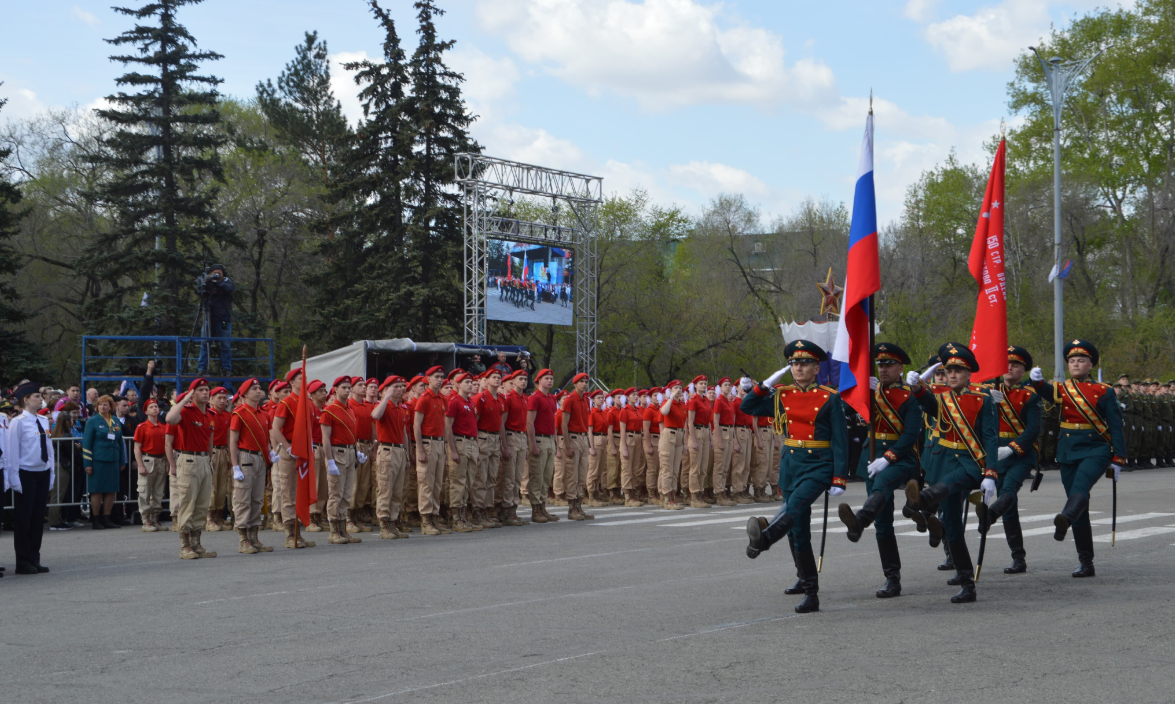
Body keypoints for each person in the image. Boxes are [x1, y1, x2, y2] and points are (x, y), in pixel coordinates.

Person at [743, 340, 848, 614]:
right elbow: (747, 406)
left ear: (816, 368)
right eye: (794, 364)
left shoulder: (829, 396)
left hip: (818, 464)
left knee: (794, 508)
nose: (798, 368)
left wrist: (839, 476)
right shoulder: (782, 395)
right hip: (791, 464)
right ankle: (804, 580)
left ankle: (765, 540)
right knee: (798, 528)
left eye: (804, 364)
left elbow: (840, 440)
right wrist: (763, 386)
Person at [902, 345, 998, 603]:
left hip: (970, 462)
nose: (953, 375)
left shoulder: (984, 399)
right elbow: (929, 406)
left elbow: (990, 437)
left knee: (949, 485)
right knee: (953, 527)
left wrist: (990, 473)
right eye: (949, 370)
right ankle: (967, 583)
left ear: (969, 374)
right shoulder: (942, 399)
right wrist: (917, 388)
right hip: (944, 460)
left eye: (958, 370)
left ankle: (921, 501)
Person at [1028, 339, 1126, 578]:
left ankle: (1065, 518)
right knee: (1079, 501)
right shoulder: (1062, 389)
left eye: (1081, 360)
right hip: (1069, 449)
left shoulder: (1103, 391)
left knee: (1080, 487)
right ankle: (1086, 561)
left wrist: (1118, 458)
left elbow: (1115, 425)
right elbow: (1046, 393)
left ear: (1090, 364)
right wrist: (1036, 381)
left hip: (1096, 447)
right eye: (1071, 361)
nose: (1075, 364)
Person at [836, 343, 924, 599]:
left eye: (889, 365)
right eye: (880, 365)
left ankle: (860, 520)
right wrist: (863, 393)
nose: (883, 369)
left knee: (882, 485)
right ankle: (892, 579)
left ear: (901, 368)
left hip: (901, 458)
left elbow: (910, 434)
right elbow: (853, 415)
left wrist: (889, 457)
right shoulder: (870, 391)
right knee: (884, 523)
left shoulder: (910, 396)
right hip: (872, 457)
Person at [973, 345, 1041, 574]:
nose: (1010, 368)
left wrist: (1012, 447)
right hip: (994, 452)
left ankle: (990, 514)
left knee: (1008, 490)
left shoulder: (1030, 395)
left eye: (1016, 365)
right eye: (1007, 364)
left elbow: (1033, 429)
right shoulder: (989, 391)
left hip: (1021, 454)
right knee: (1009, 507)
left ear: (1024, 371)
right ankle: (1018, 558)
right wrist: (988, 402)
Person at [3, 383, 55, 574]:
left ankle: (34, 557)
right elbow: (12, 452)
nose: (40, 398)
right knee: (24, 518)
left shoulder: (42, 420)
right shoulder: (18, 422)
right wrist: (14, 479)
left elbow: (48, 448)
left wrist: (51, 473)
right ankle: (23, 561)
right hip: (25, 473)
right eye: (36, 396)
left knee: (37, 518)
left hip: (42, 472)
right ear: (25, 400)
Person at [166, 379, 218, 560]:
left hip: (204, 460)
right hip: (188, 459)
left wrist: (211, 460)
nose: (206, 393)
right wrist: (185, 398)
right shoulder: (186, 412)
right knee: (188, 503)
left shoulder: (210, 415)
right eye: (201, 390)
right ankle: (185, 545)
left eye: (207, 389)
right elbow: (170, 419)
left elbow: (210, 440)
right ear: (193, 393)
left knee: (202, 505)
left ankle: (196, 544)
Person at [228, 378, 275, 554]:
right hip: (246, 457)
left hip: (261, 458)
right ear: (245, 393)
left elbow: (265, 438)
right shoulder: (239, 413)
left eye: (259, 388)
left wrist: (270, 452)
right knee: (243, 499)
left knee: (257, 499)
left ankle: (254, 537)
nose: (258, 391)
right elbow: (233, 442)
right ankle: (243, 539)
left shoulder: (264, 413)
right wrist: (235, 466)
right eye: (254, 388)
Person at [320, 376, 361, 545]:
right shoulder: (329, 410)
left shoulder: (350, 409)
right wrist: (329, 461)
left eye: (348, 387)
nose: (347, 390)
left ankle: (343, 528)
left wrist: (357, 451)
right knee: (335, 493)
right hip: (337, 454)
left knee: (346, 493)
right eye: (343, 387)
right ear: (335, 389)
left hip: (350, 453)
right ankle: (333, 530)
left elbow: (352, 435)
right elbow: (325, 439)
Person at [414, 366, 452, 536]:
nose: (439, 379)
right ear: (428, 379)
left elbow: (444, 424)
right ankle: (426, 519)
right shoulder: (424, 398)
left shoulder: (442, 399)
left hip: (439, 443)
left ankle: (434, 516)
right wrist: (420, 449)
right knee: (426, 483)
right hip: (428, 443)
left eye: (441, 377)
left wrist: (444, 443)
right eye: (436, 376)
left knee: (437, 483)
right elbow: (416, 425)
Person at [371, 375, 410, 539]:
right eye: (396, 386)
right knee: (385, 488)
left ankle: (393, 522)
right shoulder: (383, 405)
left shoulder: (401, 409)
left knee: (397, 491)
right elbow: (375, 416)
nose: (400, 389)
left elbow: (404, 433)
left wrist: (407, 454)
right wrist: (386, 396)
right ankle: (384, 523)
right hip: (387, 450)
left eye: (402, 386)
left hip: (399, 450)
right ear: (387, 389)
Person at [82, 394, 128, 530]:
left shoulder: (115, 420)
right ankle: (96, 519)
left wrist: (121, 461)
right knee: (96, 491)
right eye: (100, 404)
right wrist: (88, 463)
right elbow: (87, 443)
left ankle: (107, 518)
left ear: (110, 407)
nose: (102, 406)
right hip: (98, 460)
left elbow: (120, 441)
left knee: (111, 490)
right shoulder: (92, 421)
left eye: (105, 404)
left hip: (113, 460)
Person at [445, 372, 481, 532]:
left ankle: (464, 515)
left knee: (468, 482)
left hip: (472, 443)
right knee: (457, 482)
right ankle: (456, 518)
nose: (470, 384)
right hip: (460, 442)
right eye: (466, 382)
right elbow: (448, 427)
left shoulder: (471, 402)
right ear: (458, 384)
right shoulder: (454, 402)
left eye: (471, 382)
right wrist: (452, 449)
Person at [472, 369, 507, 529]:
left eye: (499, 377)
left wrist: (503, 444)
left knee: (492, 477)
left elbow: (501, 424)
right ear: (486, 380)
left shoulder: (500, 399)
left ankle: (488, 510)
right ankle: (478, 512)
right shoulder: (481, 398)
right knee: (481, 476)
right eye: (494, 377)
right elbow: (475, 422)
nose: (498, 379)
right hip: (483, 437)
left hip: (495, 439)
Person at [526, 368, 560, 524]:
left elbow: (553, 421)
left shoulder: (552, 398)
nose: (550, 381)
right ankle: (536, 509)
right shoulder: (535, 398)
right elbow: (529, 422)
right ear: (538, 380)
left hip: (550, 439)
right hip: (539, 439)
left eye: (551, 378)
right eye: (546, 378)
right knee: (537, 476)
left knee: (547, 477)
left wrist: (556, 443)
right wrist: (532, 444)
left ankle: (543, 506)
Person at [497, 370, 530, 526]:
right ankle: (506, 510)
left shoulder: (525, 398)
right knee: (509, 478)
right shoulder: (508, 398)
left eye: (525, 379)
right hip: (511, 436)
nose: (523, 381)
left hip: (522, 437)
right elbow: (502, 424)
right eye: (520, 379)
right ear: (513, 381)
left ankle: (514, 509)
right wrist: (504, 445)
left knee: (518, 477)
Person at [561, 372, 594, 521]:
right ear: (575, 384)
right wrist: (567, 446)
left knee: (582, 474)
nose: (584, 384)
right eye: (581, 382)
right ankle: (571, 507)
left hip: (583, 436)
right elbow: (564, 424)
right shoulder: (569, 400)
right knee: (572, 475)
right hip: (573, 437)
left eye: (586, 382)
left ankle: (579, 506)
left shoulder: (586, 400)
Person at [133, 399, 169, 532]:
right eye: (151, 407)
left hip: (161, 460)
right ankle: (145, 520)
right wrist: (140, 465)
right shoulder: (142, 427)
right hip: (148, 459)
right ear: (146, 411)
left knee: (159, 491)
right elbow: (137, 448)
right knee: (145, 491)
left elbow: (167, 446)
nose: (155, 408)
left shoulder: (164, 427)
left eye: (156, 406)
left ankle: (155, 518)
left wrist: (168, 463)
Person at [48, 401, 83, 530]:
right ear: (67, 422)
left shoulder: (58, 433)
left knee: (58, 494)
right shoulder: (65, 436)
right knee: (58, 495)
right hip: (62, 466)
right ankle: (55, 522)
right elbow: (71, 452)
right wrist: (76, 449)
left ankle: (58, 519)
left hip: (59, 464)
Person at [196, 263, 235, 375]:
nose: (217, 275)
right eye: (214, 273)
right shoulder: (208, 282)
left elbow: (229, 289)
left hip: (223, 319)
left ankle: (227, 369)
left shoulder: (227, 282)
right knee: (205, 343)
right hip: (209, 318)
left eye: (219, 273)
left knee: (225, 345)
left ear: (223, 273)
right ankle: (202, 368)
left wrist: (218, 283)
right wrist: (206, 283)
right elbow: (200, 292)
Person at [205, 387, 232, 532]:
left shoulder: (227, 415)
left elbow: (228, 437)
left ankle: (219, 516)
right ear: (211, 399)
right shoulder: (208, 414)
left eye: (224, 398)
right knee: (212, 486)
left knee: (223, 486)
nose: (222, 401)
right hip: (212, 451)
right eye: (219, 398)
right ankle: (209, 518)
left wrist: (229, 454)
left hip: (223, 450)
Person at [686, 375, 714, 508]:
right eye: (701, 383)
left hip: (706, 432)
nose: (703, 385)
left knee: (704, 466)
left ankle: (701, 493)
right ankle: (694, 495)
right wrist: (693, 439)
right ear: (695, 386)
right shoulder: (694, 400)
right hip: (696, 431)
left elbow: (709, 420)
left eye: (705, 383)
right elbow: (690, 421)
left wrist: (710, 438)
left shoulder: (706, 400)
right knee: (695, 466)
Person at [711, 378, 737, 506]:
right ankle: (719, 493)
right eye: (725, 385)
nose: (728, 387)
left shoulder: (727, 401)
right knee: (719, 465)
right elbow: (715, 420)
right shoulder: (719, 401)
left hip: (729, 432)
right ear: (720, 388)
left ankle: (723, 490)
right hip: (721, 431)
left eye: (729, 385)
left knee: (726, 465)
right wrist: (719, 440)